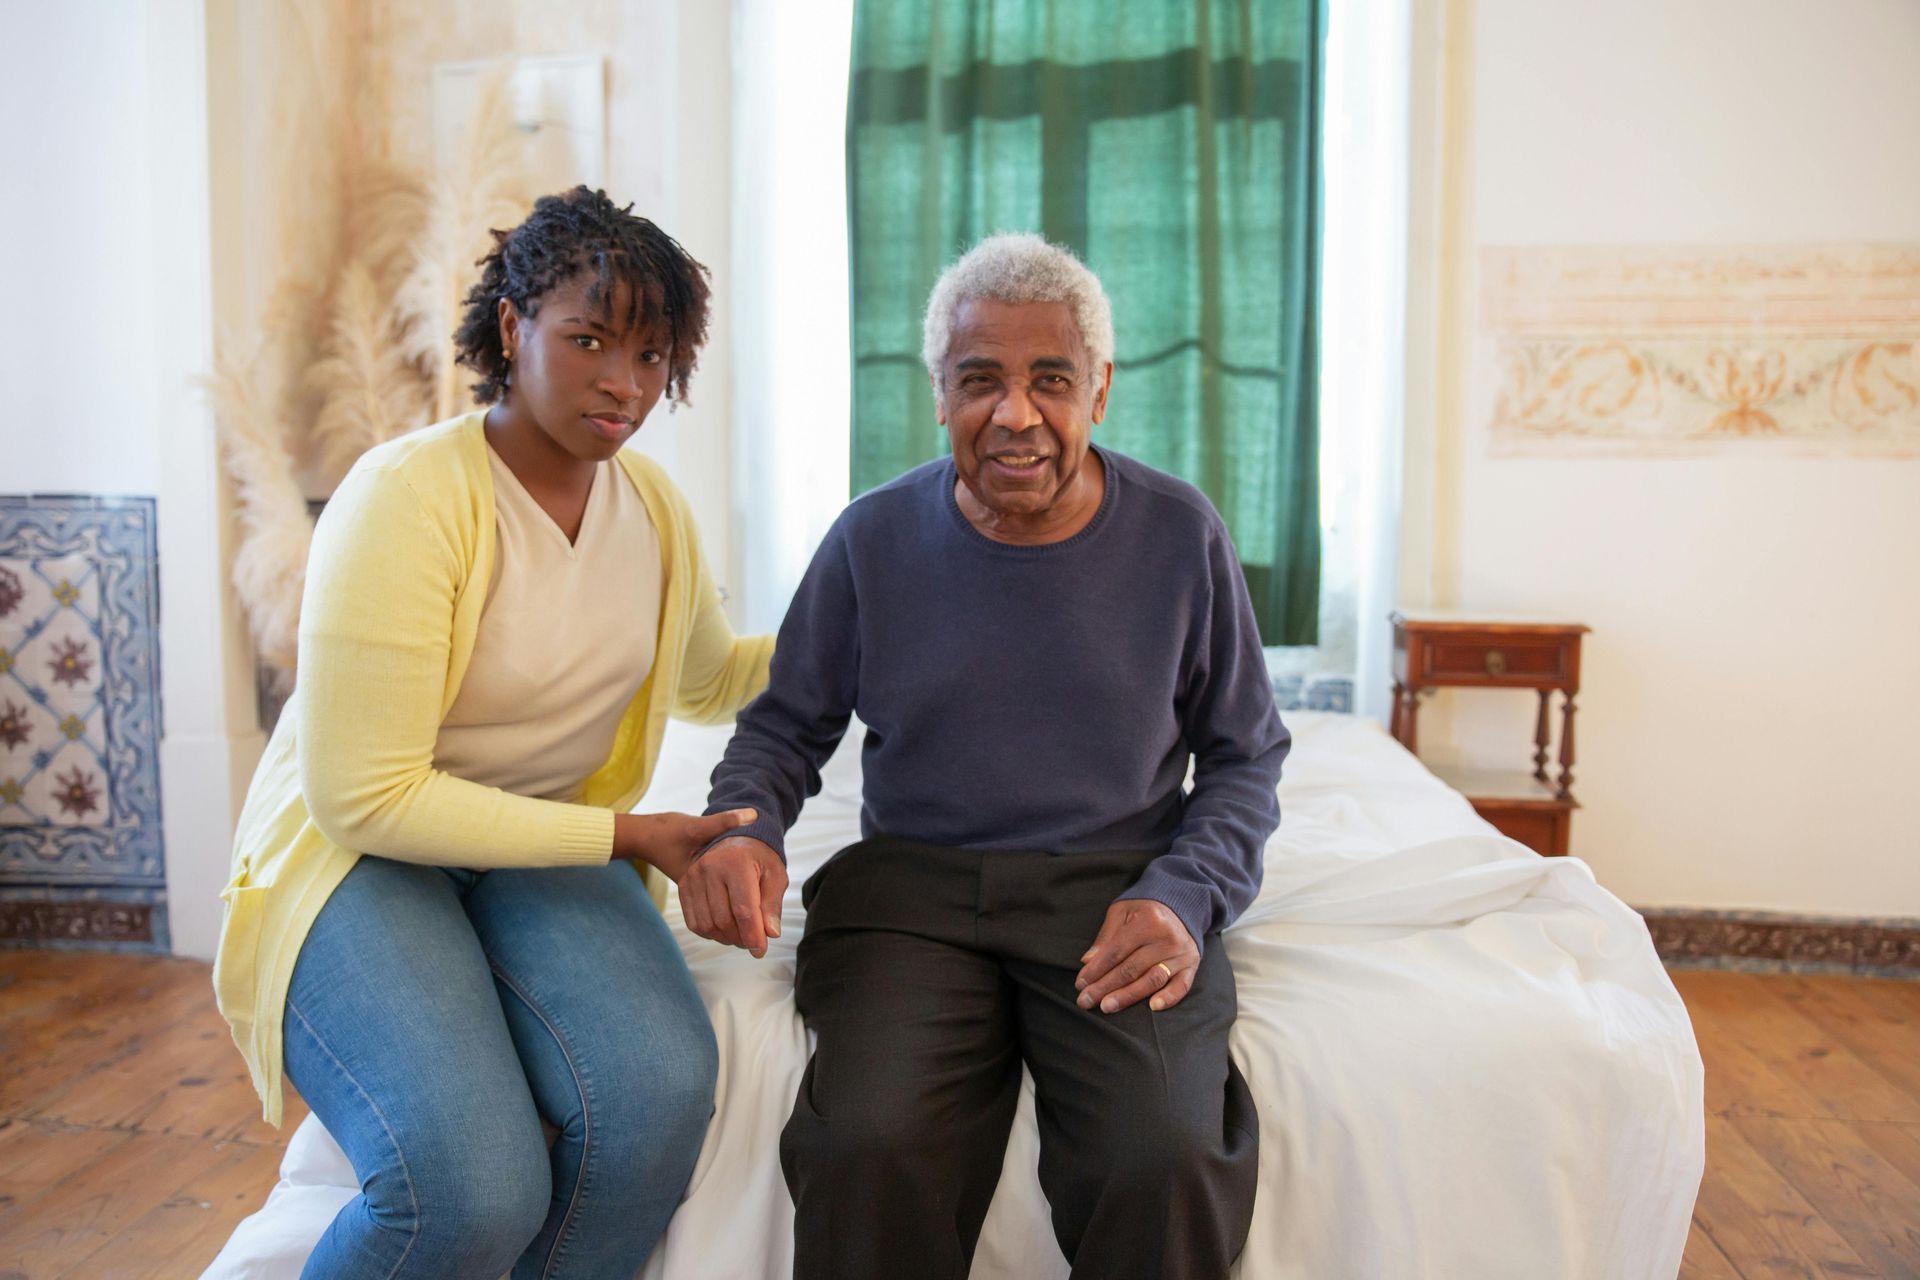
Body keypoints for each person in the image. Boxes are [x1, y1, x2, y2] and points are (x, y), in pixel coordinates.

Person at [682, 232, 1291, 1280]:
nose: (1014, 413)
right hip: (914, 897)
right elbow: (783, 730)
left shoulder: (1180, 536)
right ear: (938, 395)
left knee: (1166, 1155)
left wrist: (1185, 894)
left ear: (1099, 389)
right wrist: (745, 829)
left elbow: (1245, 757)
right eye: (981, 381)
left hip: (1112, 896)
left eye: (1049, 379)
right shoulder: (871, 539)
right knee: (866, 1144)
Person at [211, 187, 771, 1279]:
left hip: (531, 845)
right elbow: (363, 795)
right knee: (469, 1183)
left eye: (653, 355)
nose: (625, 382)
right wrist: (623, 836)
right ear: (513, 327)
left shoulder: (650, 506)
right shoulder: (406, 497)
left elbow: (708, 677)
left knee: (657, 1099)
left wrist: (862, 617)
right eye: (590, 338)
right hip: (360, 860)